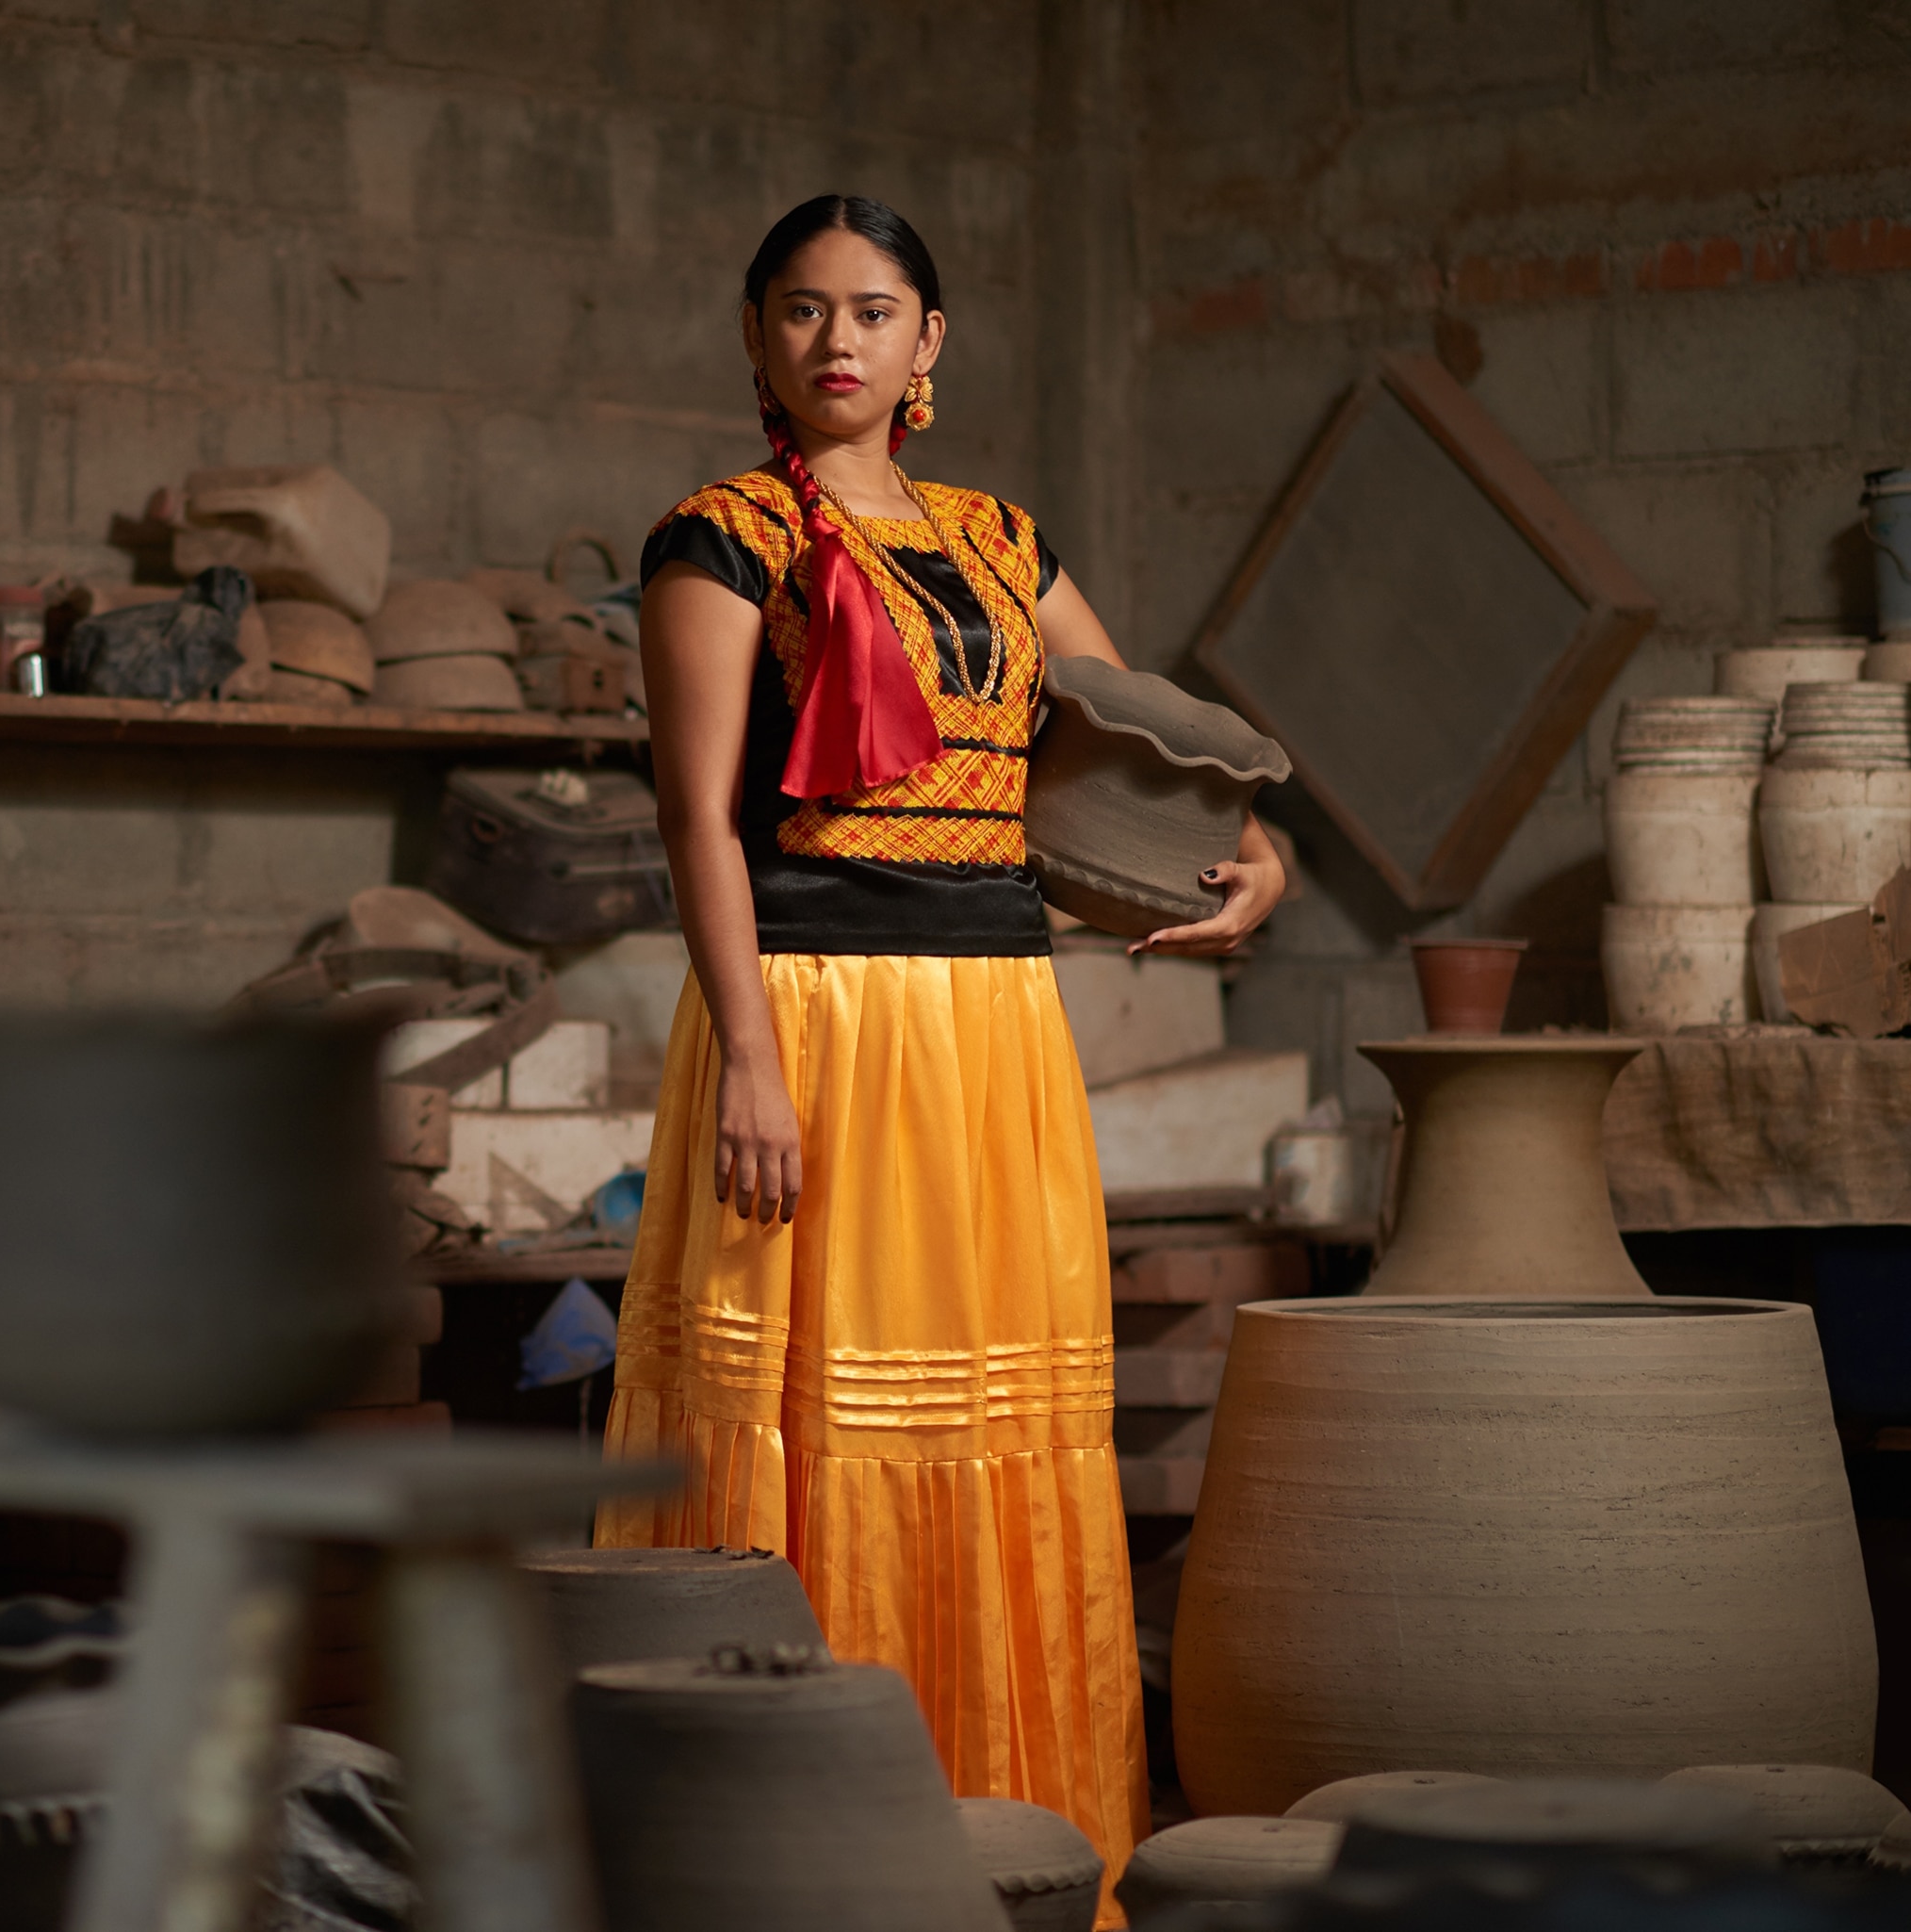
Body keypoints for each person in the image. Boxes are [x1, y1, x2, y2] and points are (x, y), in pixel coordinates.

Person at [593, 194, 1283, 1904]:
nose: (842, 338)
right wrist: (749, 1060)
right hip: (818, 1020)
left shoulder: (1001, 541)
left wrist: (1253, 855)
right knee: (821, 1423)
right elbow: (696, 822)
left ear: (931, 344)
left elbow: (1137, 750)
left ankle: (1024, 1863)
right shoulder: (722, 538)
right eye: (806, 309)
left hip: (994, 1030)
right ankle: (793, 1864)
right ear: (756, 335)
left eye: (877, 309)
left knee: (1004, 1429)